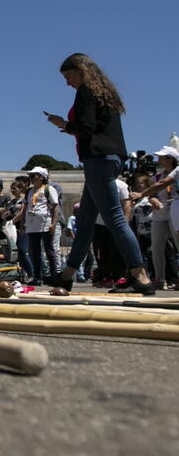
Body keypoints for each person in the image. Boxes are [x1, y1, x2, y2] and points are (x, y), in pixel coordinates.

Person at [44, 53, 154, 294]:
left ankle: (140, 275)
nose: (68, 82)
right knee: (85, 222)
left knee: (114, 218)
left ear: (80, 72)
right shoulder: (106, 93)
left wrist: (63, 123)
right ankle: (67, 274)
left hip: (98, 158)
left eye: (69, 76)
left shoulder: (85, 91)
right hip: (112, 156)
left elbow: (85, 127)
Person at [129, 146, 179, 290]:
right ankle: (159, 278)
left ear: (170, 159)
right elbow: (153, 193)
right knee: (156, 247)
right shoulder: (156, 177)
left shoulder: (175, 173)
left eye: (162, 157)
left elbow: (162, 185)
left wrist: (141, 194)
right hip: (160, 213)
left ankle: (174, 278)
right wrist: (153, 200)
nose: (158, 160)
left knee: (177, 245)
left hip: (173, 210)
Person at [13, 166, 59, 285]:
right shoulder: (29, 191)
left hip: (45, 224)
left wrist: (53, 224)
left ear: (42, 177)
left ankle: (54, 276)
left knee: (49, 251)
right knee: (34, 251)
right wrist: (23, 224)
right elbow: (25, 208)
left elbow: (55, 207)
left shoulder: (49, 189)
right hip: (32, 225)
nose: (32, 178)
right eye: (31, 176)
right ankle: (37, 276)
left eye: (34, 176)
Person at [4, 180, 35, 280]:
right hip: (11, 229)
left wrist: (13, 220)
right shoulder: (12, 202)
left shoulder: (24, 199)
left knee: (23, 251)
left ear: (20, 188)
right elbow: (6, 212)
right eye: (11, 189)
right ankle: (20, 274)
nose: (13, 190)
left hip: (22, 228)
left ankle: (31, 274)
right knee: (15, 252)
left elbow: (22, 212)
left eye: (15, 188)